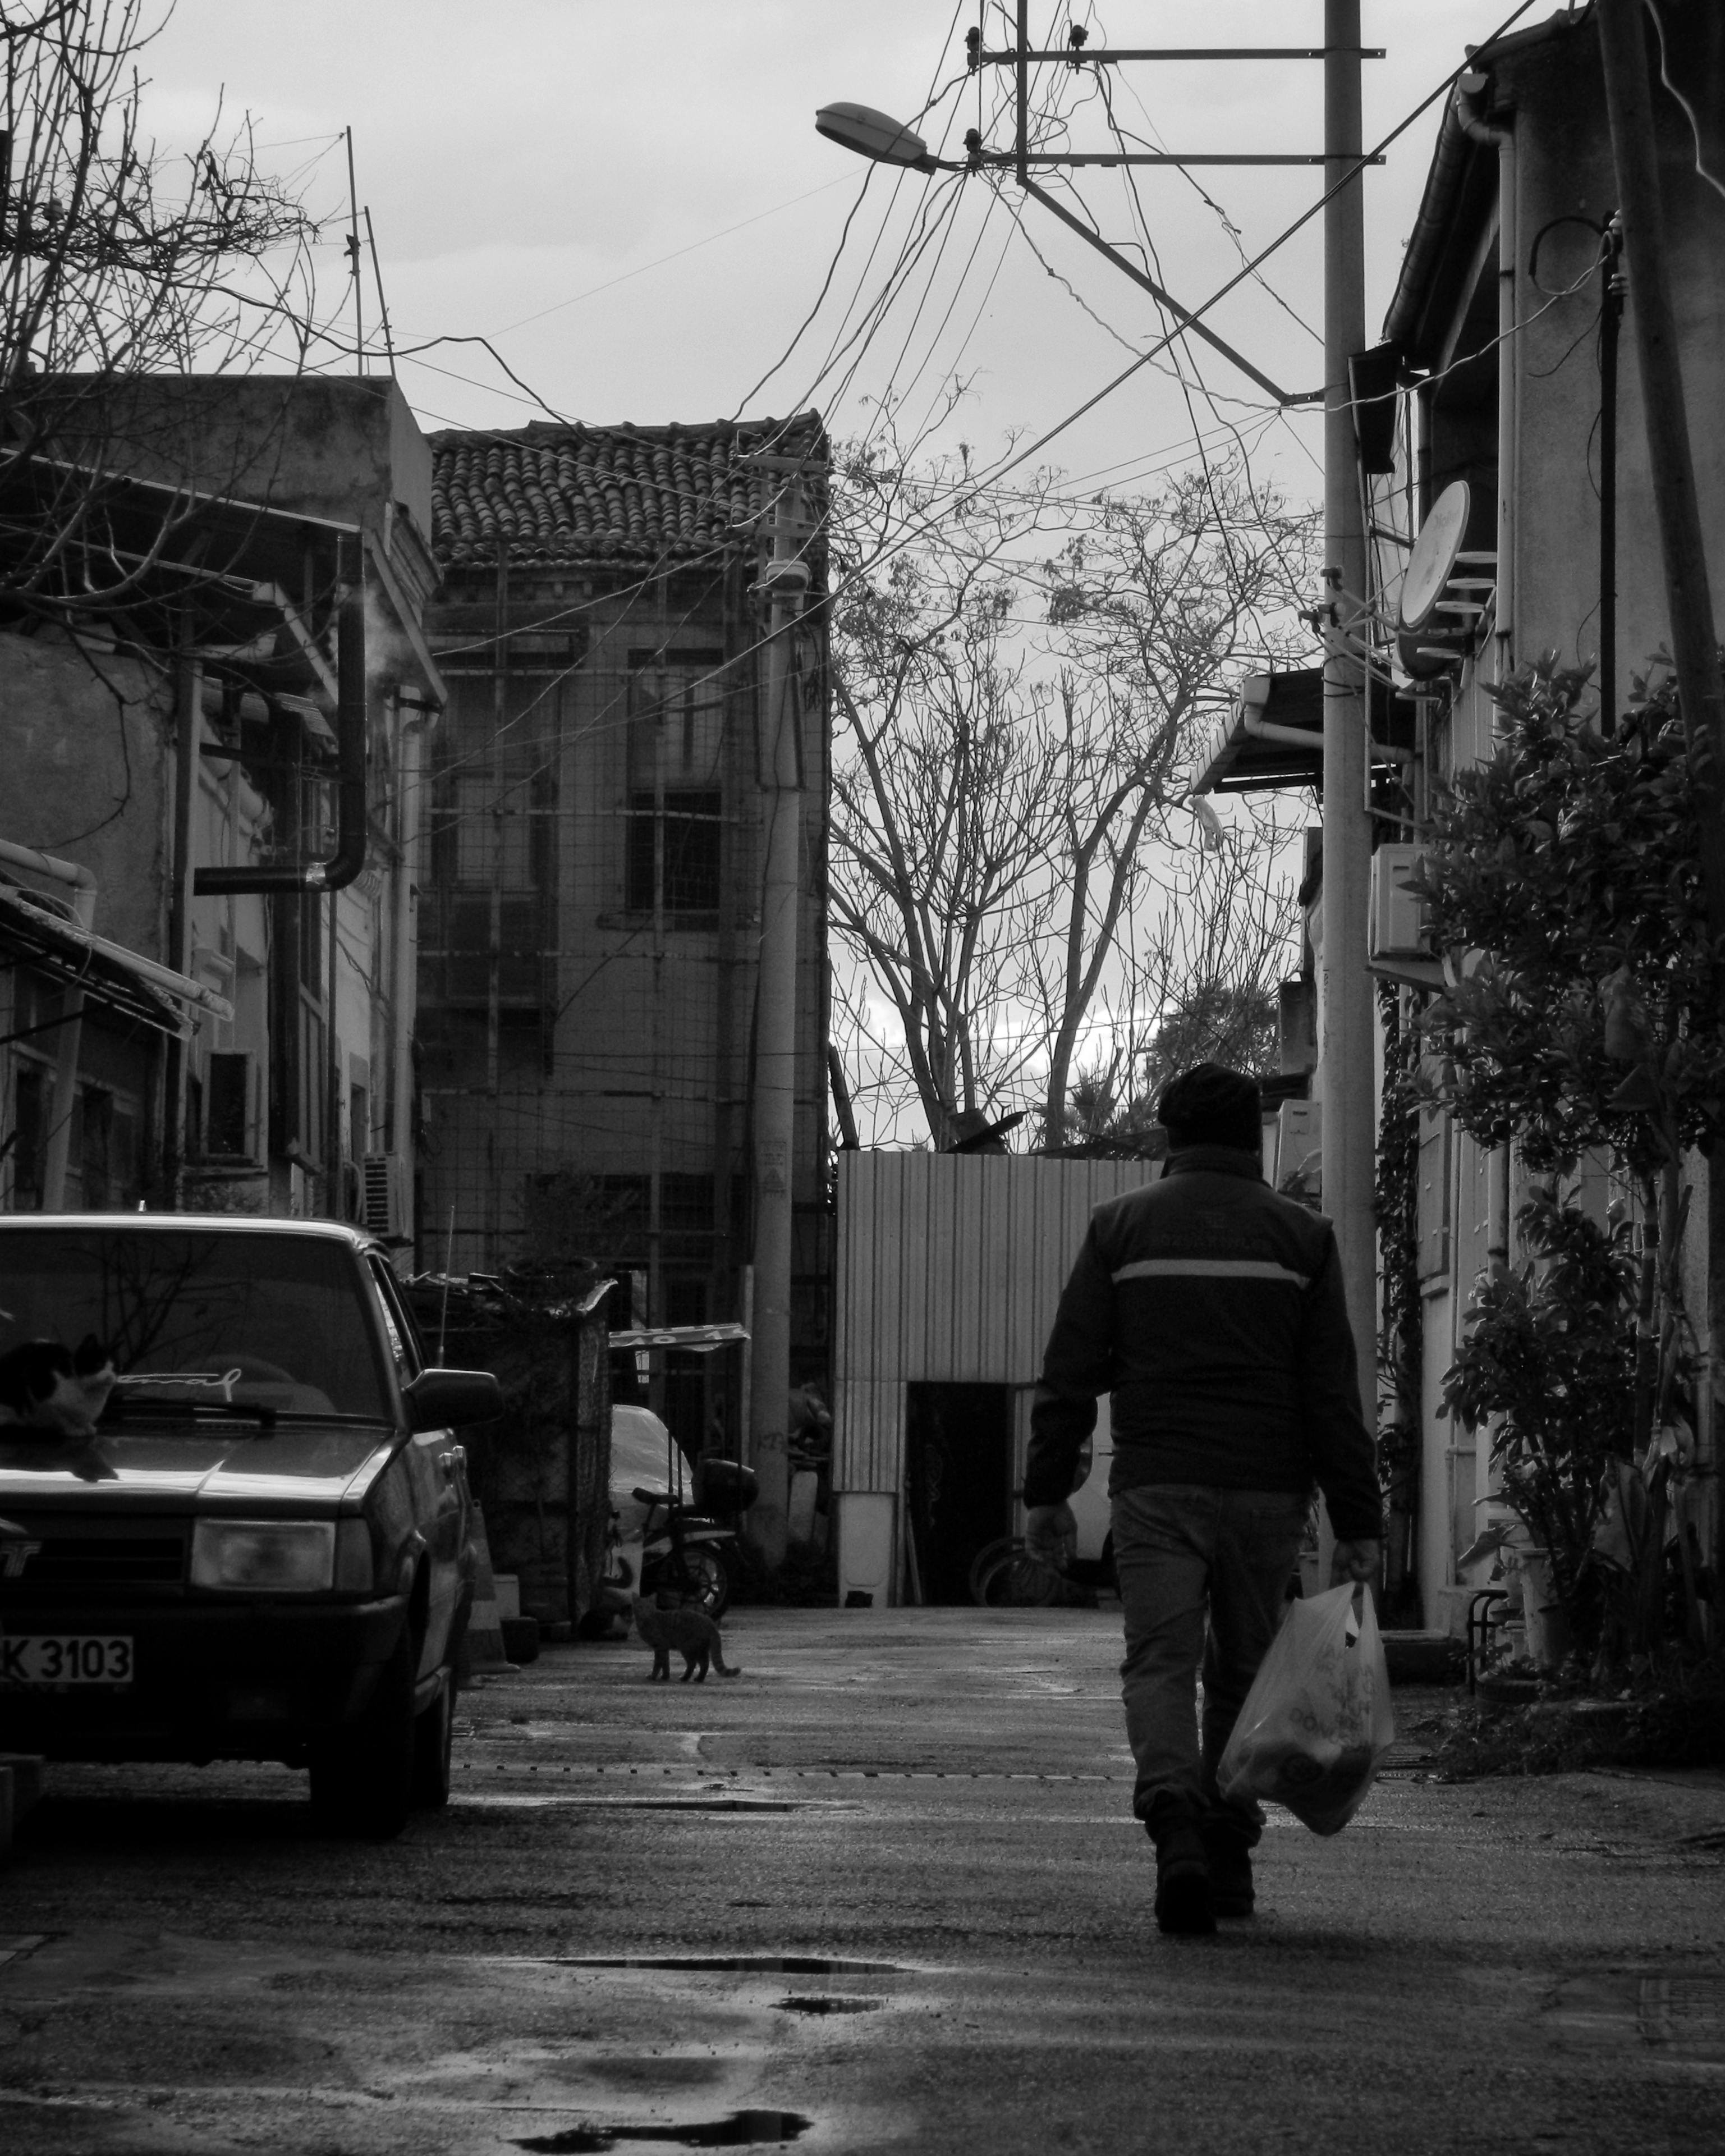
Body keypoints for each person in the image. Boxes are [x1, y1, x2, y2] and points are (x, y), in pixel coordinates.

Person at [1024, 1062, 1382, 1936]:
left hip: (1156, 1487)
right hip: (1268, 1489)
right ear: (1251, 1134)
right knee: (1243, 1668)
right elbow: (1330, 1389)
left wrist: (1045, 1492)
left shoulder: (1121, 1229)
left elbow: (1070, 1371)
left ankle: (1173, 1822)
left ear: (1167, 1135)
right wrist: (1357, 1519)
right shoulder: (1302, 1237)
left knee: (1159, 1661)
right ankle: (1226, 1851)